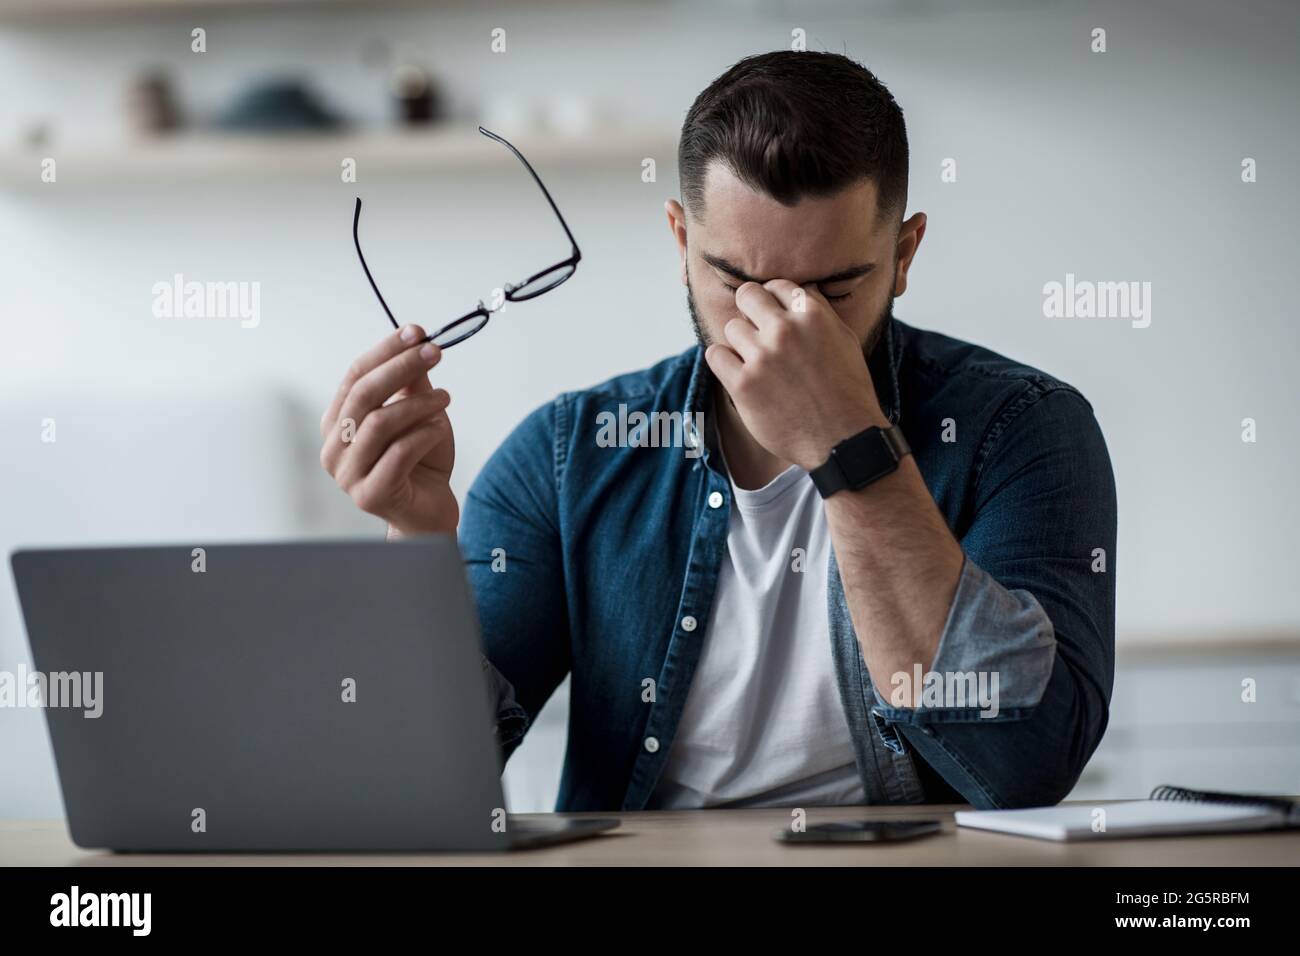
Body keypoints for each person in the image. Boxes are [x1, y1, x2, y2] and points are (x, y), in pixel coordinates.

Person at [319, 51, 1116, 812]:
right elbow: (415, 781)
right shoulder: (570, 457)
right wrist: (416, 538)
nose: (778, 326)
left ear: (903, 254)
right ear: (680, 243)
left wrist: (851, 446)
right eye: (735, 281)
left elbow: (1025, 765)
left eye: (831, 290)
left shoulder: (1022, 430)